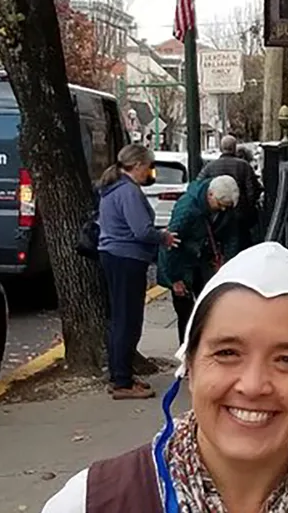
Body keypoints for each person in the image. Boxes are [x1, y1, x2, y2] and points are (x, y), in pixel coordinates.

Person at [42, 243, 288, 513]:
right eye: (227, 353)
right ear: (191, 365)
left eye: (287, 359)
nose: (253, 384)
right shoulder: (93, 502)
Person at [97, 144, 179, 400]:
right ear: (138, 166)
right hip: (127, 257)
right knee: (128, 319)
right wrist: (163, 237)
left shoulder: (112, 189)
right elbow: (141, 230)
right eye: (149, 166)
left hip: (113, 255)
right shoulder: (129, 192)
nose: (150, 171)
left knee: (119, 317)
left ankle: (119, 373)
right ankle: (122, 380)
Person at [157, 175, 241, 345]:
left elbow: (232, 237)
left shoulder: (224, 206)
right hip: (183, 263)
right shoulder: (187, 209)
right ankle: (187, 355)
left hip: (204, 262)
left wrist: (226, 264)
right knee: (186, 315)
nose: (223, 210)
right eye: (220, 205)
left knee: (210, 309)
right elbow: (170, 244)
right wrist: (174, 280)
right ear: (210, 195)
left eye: (226, 207)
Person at [198, 134, 263, 247]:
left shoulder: (210, 167)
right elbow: (252, 191)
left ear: (220, 148)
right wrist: (248, 208)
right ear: (234, 148)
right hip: (239, 218)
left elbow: (199, 185)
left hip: (216, 218)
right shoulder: (244, 166)